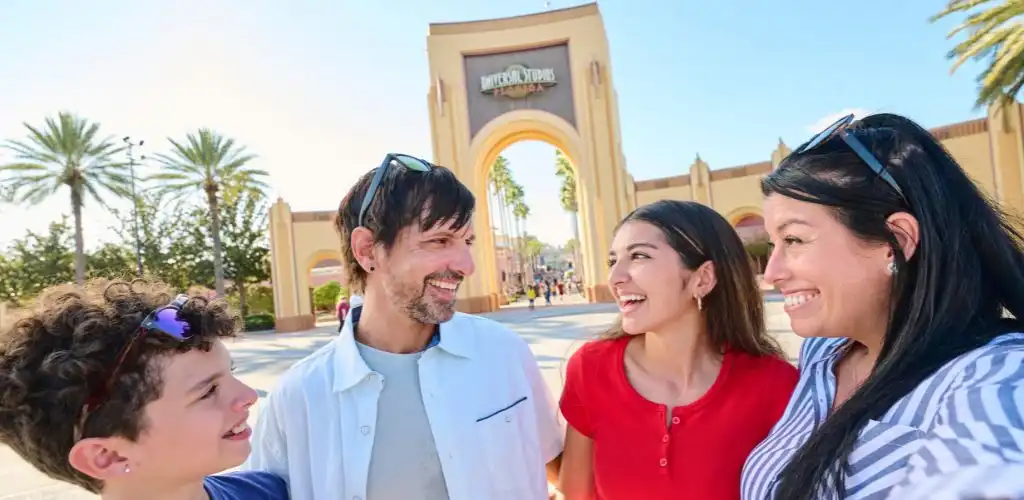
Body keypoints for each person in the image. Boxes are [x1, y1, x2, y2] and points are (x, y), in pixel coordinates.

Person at [740, 113, 1024, 500]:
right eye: (774, 244)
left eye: (795, 240)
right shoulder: (823, 356)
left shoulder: (994, 378)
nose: (772, 273)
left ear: (897, 239)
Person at [245, 153, 563, 499]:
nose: (466, 265)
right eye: (440, 240)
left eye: (466, 242)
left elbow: (562, 469)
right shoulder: (299, 398)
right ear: (367, 250)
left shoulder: (504, 354)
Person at [559, 200, 799, 500]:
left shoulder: (775, 385)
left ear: (703, 278)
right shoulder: (590, 369)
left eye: (639, 256)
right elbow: (575, 494)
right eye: (612, 261)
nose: (616, 277)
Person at [0, 279, 288, 500]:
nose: (249, 397)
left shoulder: (274, 493)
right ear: (108, 456)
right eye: (208, 391)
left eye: (231, 373)